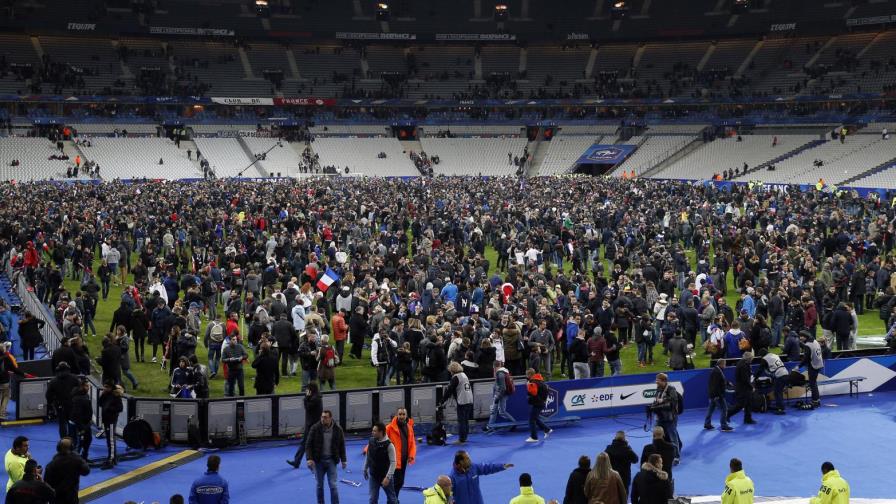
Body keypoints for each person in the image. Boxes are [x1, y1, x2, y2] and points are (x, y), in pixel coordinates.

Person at [305, 410, 347, 504]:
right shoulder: (315, 428)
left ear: (330, 418)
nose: (323, 419)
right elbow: (308, 444)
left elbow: (341, 445)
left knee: (333, 485)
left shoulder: (338, 429)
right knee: (319, 485)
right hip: (318, 461)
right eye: (322, 417)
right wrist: (309, 458)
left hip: (331, 460)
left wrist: (344, 460)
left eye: (325, 417)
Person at [286, 381, 322, 468]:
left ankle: (298, 461)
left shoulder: (315, 399)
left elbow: (307, 407)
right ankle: (298, 461)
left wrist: (306, 398)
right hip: (312, 424)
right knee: (308, 444)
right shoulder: (316, 397)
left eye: (308, 389)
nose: (306, 390)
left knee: (306, 444)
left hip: (312, 425)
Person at [43, 438, 89, 504]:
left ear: (58, 448)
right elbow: (86, 471)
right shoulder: (76, 461)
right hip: (72, 497)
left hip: (57, 497)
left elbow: (46, 483)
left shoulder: (52, 464)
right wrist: (79, 458)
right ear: (72, 448)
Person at [646, 373, 681, 462]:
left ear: (664, 381)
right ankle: (655, 454)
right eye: (656, 380)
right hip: (659, 417)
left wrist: (663, 400)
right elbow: (657, 400)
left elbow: (673, 401)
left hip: (670, 418)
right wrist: (652, 406)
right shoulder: (659, 388)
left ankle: (676, 456)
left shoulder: (671, 388)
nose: (656, 382)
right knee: (656, 434)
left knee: (672, 436)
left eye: (658, 380)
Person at [384, 407, 415, 499]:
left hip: (403, 460)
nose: (401, 416)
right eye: (400, 414)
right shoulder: (389, 428)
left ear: (406, 416)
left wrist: (411, 455)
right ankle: (393, 500)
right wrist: (367, 449)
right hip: (393, 461)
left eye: (403, 414)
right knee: (396, 482)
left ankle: (394, 499)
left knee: (400, 482)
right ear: (396, 415)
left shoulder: (409, 428)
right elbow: (379, 439)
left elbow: (412, 443)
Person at [363, 421, 397, 504]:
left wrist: (388, 477)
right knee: (372, 499)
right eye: (372, 430)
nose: (372, 432)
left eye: (374, 431)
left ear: (381, 432)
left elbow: (393, 462)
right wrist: (365, 468)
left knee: (392, 500)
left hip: (385, 477)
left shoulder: (389, 445)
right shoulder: (371, 441)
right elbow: (368, 455)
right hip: (374, 476)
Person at [440, 362, 473, 444]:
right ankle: (465, 437)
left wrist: (442, 401)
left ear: (452, 370)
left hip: (462, 401)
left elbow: (449, 390)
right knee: (465, 420)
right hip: (469, 400)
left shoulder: (456, 377)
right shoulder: (464, 375)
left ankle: (461, 439)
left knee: (461, 420)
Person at [45, 362, 79, 440]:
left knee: (62, 424)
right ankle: (72, 440)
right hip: (72, 405)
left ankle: (64, 441)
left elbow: (48, 395)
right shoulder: (74, 378)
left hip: (60, 406)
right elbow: (79, 390)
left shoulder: (53, 381)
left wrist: (51, 404)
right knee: (72, 423)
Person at [97, 380, 123, 469]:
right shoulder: (105, 395)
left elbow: (120, 408)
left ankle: (111, 459)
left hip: (111, 420)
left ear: (111, 388)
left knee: (111, 441)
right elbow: (100, 403)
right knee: (109, 440)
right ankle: (112, 457)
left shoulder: (116, 396)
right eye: (104, 386)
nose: (104, 388)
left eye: (107, 387)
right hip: (106, 420)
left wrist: (109, 409)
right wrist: (102, 394)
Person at [726, 352, 756, 425]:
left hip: (744, 388)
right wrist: (751, 387)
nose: (752, 360)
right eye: (751, 359)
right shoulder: (743, 366)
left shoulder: (743, 363)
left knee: (748, 403)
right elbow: (745, 379)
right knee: (740, 405)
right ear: (748, 359)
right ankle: (728, 414)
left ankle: (748, 419)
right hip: (743, 389)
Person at [486, 361, 516, 430]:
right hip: (501, 394)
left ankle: (514, 423)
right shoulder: (504, 372)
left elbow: (503, 388)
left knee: (501, 411)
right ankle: (490, 426)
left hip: (500, 395)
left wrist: (497, 397)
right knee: (496, 411)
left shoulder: (500, 374)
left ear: (494, 367)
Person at [756, 348, 788, 414]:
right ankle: (780, 406)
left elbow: (760, 370)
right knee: (779, 391)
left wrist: (755, 377)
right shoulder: (774, 355)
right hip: (785, 373)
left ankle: (780, 409)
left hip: (780, 375)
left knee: (777, 392)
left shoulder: (765, 358)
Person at [525, 368, 552, 443]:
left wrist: (528, 386)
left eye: (527, 374)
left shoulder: (533, 383)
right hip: (541, 403)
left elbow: (533, 393)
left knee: (531, 420)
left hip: (537, 403)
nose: (526, 376)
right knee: (535, 418)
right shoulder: (541, 381)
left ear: (530, 375)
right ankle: (547, 429)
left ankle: (534, 437)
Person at [705, 358, 733, 431]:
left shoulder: (717, 370)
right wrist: (717, 396)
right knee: (724, 409)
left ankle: (707, 424)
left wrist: (727, 383)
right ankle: (724, 425)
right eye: (725, 364)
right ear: (721, 364)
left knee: (711, 410)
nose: (725, 366)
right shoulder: (717, 372)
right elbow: (715, 385)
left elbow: (720, 381)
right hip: (717, 395)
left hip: (713, 395)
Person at [799, 330, 824, 407]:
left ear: (805, 337)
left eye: (801, 336)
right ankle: (817, 399)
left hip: (813, 365)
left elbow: (806, 358)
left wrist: (799, 366)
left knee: (812, 384)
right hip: (819, 364)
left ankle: (815, 400)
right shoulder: (815, 341)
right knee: (814, 384)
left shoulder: (808, 345)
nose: (800, 338)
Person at [70, 380, 92, 460]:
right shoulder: (79, 398)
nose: (88, 388)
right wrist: (81, 427)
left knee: (87, 440)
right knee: (81, 443)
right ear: (82, 386)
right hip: (81, 424)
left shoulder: (83, 395)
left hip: (84, 423)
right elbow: (77, 414)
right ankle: (77, 460)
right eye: (86, 386)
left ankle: (83, 457)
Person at [0, 344, 24, 419]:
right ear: (3, 350)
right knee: (6, 397)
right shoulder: (6, 358)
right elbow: (14, 369)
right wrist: (23, 374)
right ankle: (2, 414)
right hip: (4, 381)